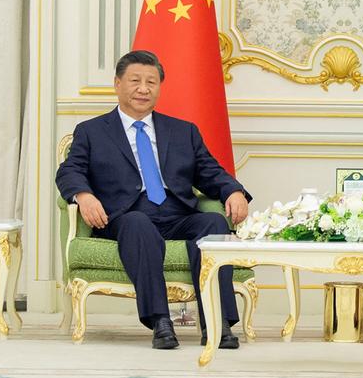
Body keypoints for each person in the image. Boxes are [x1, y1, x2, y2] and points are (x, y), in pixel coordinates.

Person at [56, 50, 250, 350]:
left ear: (160, 87)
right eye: (135, 80)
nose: (143, 89)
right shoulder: (92, 131)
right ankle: (161, 321)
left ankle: (218, 323)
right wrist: (83, 195)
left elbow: (210, 171)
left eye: (151, 82)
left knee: (213, 222)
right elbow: (69, 171)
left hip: (176, 214)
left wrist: (233, 191)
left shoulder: (183, 131)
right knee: (138, 224)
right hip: (125, 216)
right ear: (117, 83)